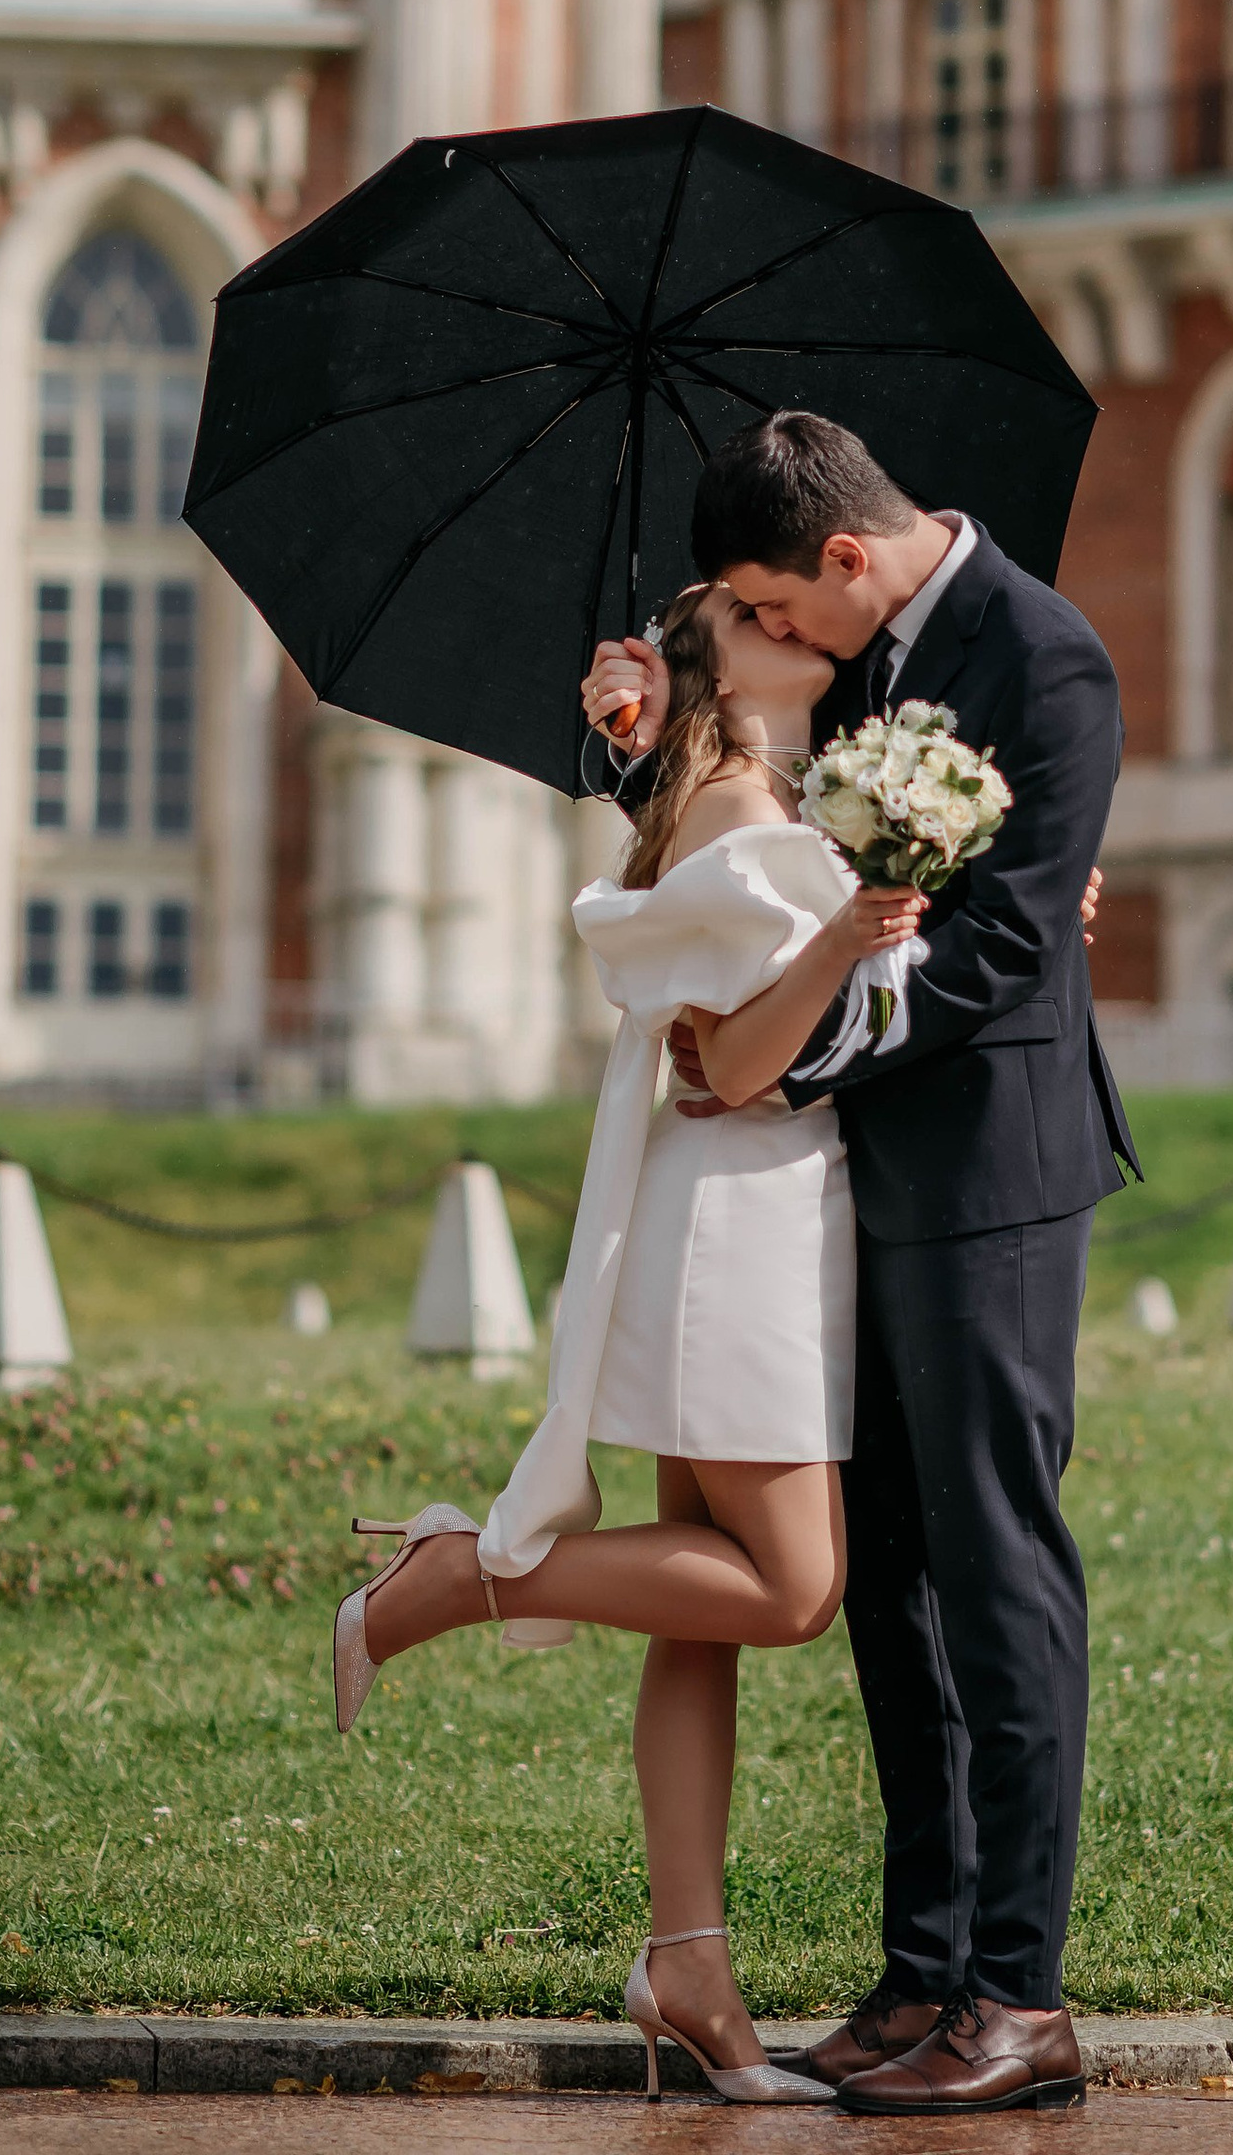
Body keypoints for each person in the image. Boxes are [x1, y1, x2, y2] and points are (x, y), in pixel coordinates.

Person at [581, 411, 1137, 2118]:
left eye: (771, 603)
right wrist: (633, 737)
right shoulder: (854, 660)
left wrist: (793, 1056)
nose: (782, 636)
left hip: (988, 1173)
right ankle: (926, 1967)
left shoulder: (1047, 658)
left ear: (839, 557)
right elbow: (766, 836)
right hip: (848, 1190)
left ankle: (1021, 2000)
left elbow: (1004, 950)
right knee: (889, 1577)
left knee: (997, 1563)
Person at [335, 576, 926, 2106]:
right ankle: (464, 1576)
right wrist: (851, 929)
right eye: (752, 615)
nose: (796, 625)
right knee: (793, 1591)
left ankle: (690, 1968)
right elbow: (733, 1059)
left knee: (697, 1616)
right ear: (709, 667)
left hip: (737, 1219)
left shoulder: (750, 798)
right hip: (737, 1235)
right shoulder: (738, 814)